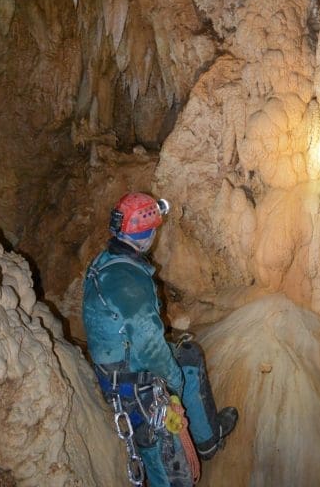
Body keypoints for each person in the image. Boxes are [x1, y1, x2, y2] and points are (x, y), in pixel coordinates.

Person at [82, 192, 238, 487]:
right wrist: (174, 382)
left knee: (189, 355)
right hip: (131, 386)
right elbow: (150, 347)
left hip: (122, 361)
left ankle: (207, 439)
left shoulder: (108, 261)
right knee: (172, 469)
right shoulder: (126, 281)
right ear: (148, 234)